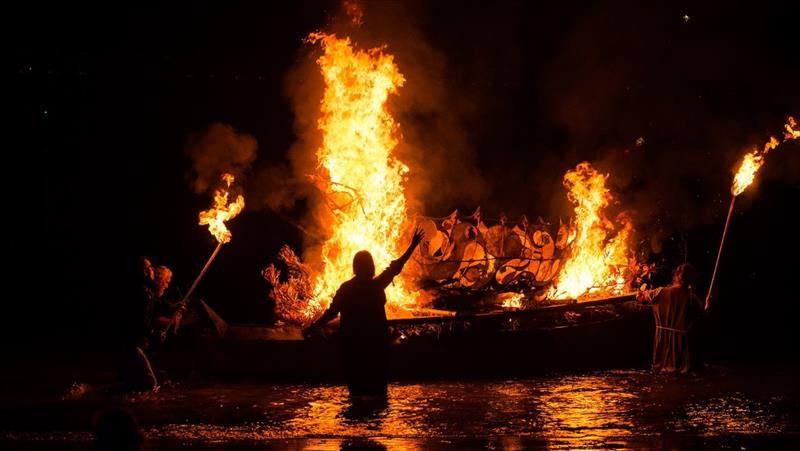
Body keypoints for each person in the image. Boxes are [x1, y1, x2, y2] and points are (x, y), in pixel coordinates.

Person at [303, 228, 425, 397]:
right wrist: (412, 246)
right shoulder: (376, 285)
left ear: (355, 267)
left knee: (356, 392)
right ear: (371, 267)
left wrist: (312, 327)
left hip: (353, 347)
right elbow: (396, 267)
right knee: (378, 393)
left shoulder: (346, 288)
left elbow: (331, 313)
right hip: (376, 346)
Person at [637, 263, 705, 373]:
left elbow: (640, 298)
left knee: (661, 370)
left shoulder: (659, 292)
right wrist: (707, 307)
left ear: (676, 276)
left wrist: (640, 293)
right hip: (681, 343)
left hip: (662, 340)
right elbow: (701, 319)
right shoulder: (693, 298)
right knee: (680, 371)